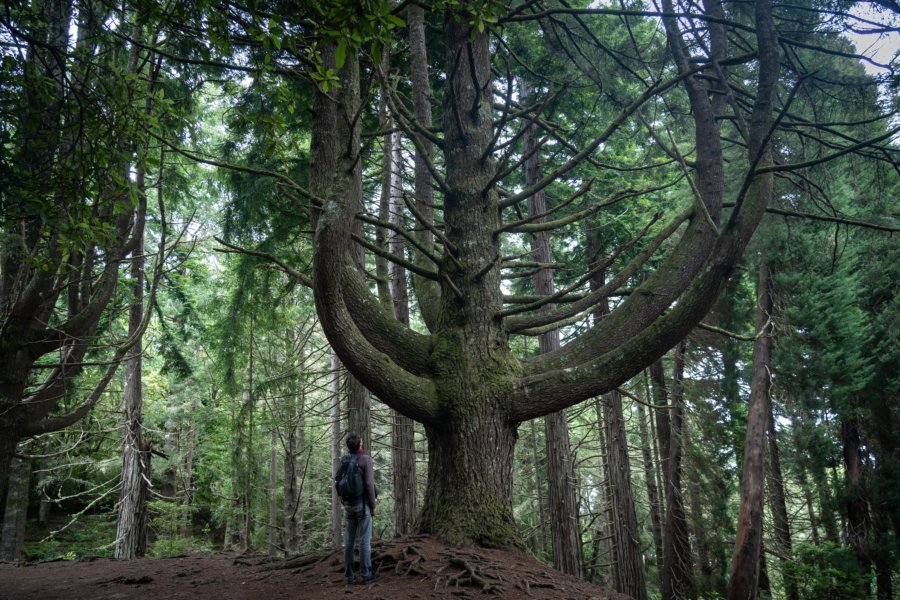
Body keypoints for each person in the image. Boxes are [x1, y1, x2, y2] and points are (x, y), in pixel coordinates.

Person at [338, 432, 379, 584]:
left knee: (349, 541)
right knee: (364, 541)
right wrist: (373, 506)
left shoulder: (345, 459)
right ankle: (366, 574)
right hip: (362, 506)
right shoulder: (365, 459)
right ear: (360, 444)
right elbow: (369, 484)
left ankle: (349, 576)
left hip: (348, 505)